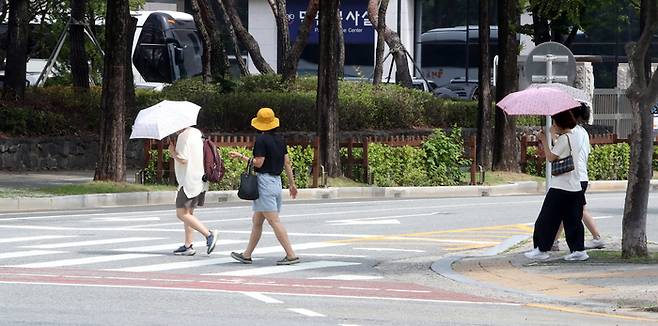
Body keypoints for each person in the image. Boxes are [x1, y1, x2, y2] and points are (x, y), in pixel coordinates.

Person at [228, 107, 300, 265]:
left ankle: (291, 254)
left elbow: (258, 162)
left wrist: (241, 156)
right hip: (276, 182)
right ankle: (246, 254)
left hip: (264, 183)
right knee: (257, 221)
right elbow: (287, 162)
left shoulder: (261, 140)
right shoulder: (280, 139)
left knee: (274, 221)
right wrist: (292, 184)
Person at [524, 109, 589, 261]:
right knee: (572, 220)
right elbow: (562, 150)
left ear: (560, 122)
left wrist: (544, 140)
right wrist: (552, 137)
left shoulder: (564, 139)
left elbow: (552, 157)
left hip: (560, 187)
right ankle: (578, 249)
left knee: (546, 219)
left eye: (554, 122)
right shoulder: (574, 136)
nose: (553, 124)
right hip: (574, 186)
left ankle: (541, 248)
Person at [551, 104, 605, 251]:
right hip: (582, 176)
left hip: (573, 176)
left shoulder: (572, 132)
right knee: (575, 209)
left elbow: (559, 153)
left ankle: (591, 240)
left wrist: (552, 138)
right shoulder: (583, 132)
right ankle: (595, 238)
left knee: (572, 211)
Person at [168, 126, 218, 256]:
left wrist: (173, 152)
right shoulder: (197, 133)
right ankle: (188, 245)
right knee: (188, 214)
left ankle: (209, 234)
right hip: (199, 179)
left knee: (181, 213)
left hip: (188, 181)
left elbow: (183, 159)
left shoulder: (183, 136)